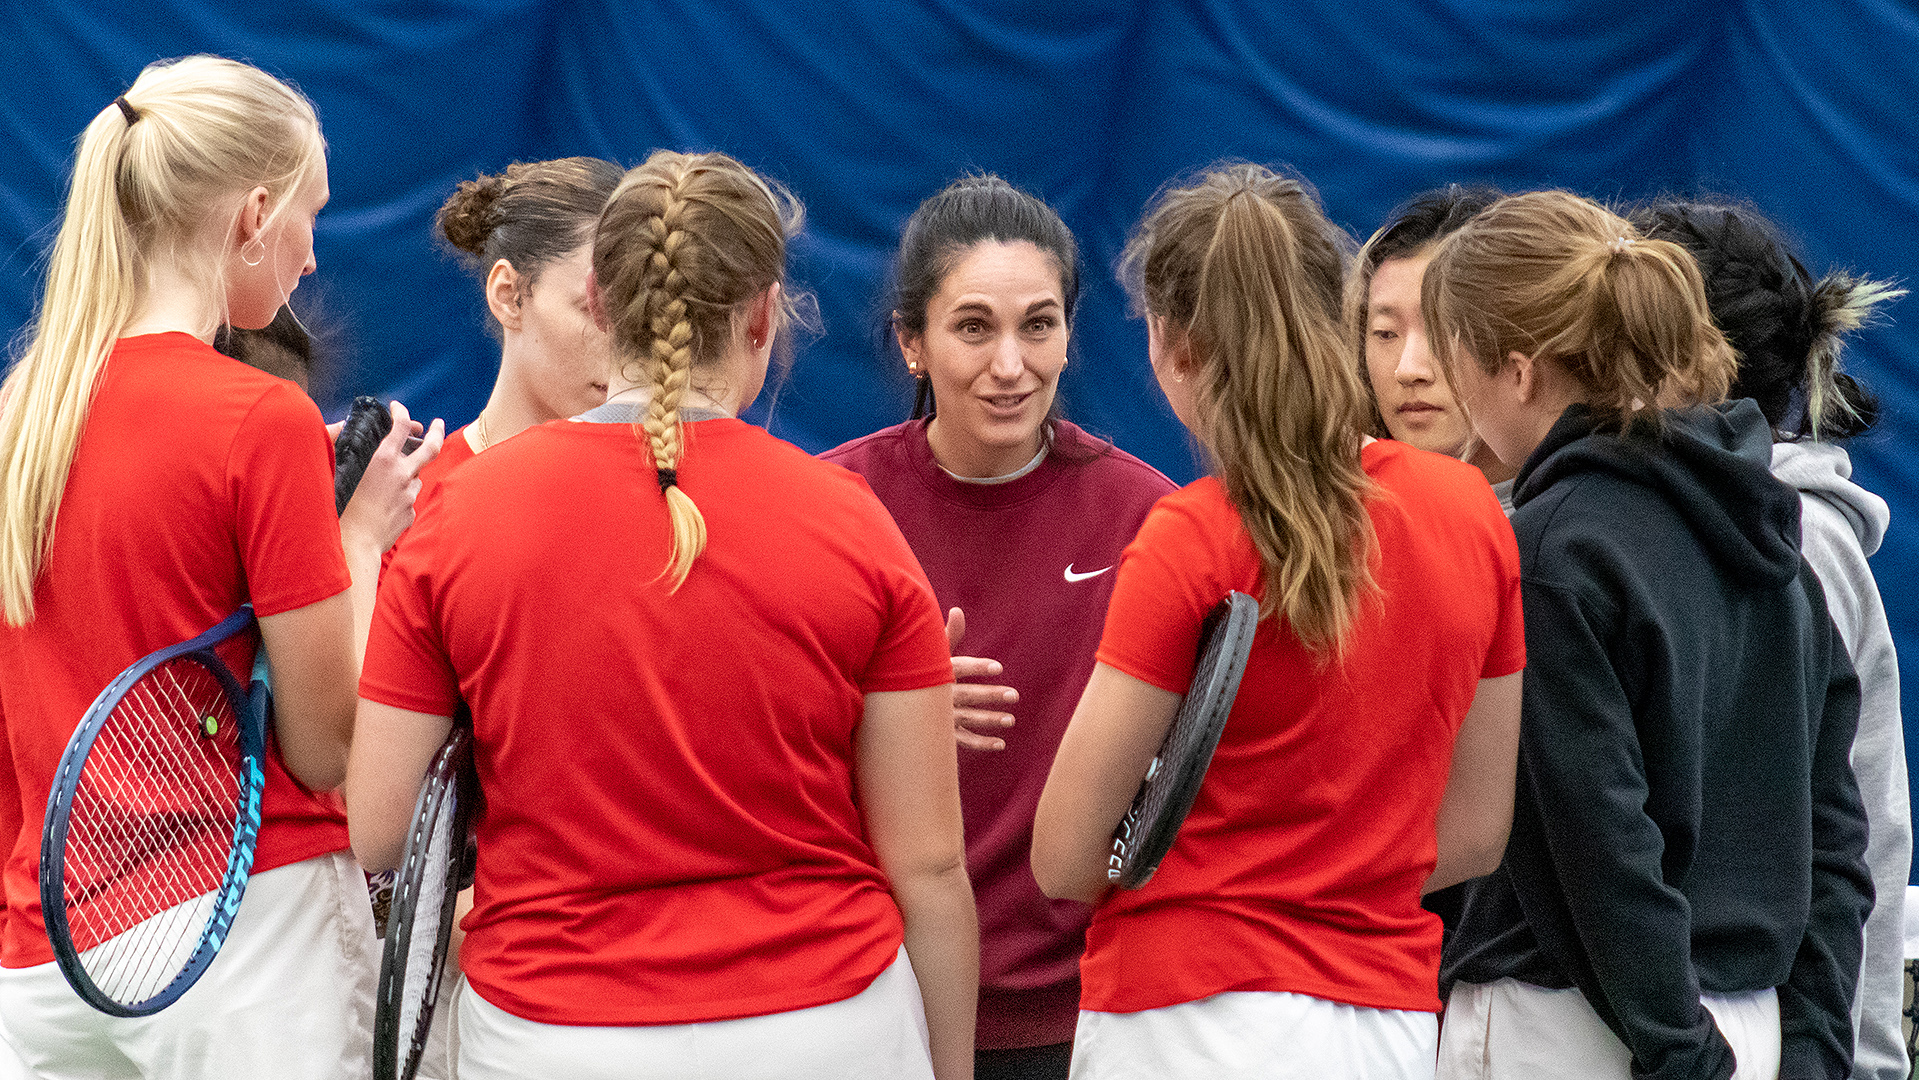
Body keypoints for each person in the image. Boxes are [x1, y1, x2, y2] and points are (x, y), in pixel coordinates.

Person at [348, 149, 978, 1080]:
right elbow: (928, 870)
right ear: (763, 315)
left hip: (555, 1035)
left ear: (602, 304)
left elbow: (381, 828)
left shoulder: (461, 518)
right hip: (825, 1022)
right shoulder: (852, 520)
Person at [1030, 163, 1525, 1080]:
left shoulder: (1189, 536)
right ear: (1334, 319)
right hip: (1381, 1019)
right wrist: (1336, 878)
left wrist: (1230, 883)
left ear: (1171, 344)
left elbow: (1063, 855)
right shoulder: (1469, 513)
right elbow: (1475, 830)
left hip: (1178, 1012)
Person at [0, 55, 437, 1079]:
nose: (312, 260)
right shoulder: (262, 418)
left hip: (40, 955)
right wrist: (360, 538)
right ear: (252, 215)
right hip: (246, 941)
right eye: (310, 217)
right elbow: (326, 749)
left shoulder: (18, 417)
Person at [1425, 191, 1872, 1080]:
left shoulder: (1549, 553)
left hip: (1580, 1027)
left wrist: (1682, 1053)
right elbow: (1832, 837)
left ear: (1516, 371)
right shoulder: (1771, 543)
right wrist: (1810, 1050)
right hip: (1745, 1026)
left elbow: (1598, 845)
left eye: (1451, 357)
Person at [821, 175, 1176, 1079]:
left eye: (1038, 325)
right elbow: (744, 751)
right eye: (974, 328)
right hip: (872, 995)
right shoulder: (832, 507)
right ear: (912, 342)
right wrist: (884, 726)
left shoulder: (1146, 517)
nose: (1011, 364)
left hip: (1087, 1008)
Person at [1636, 198, 1907, 1080]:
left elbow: (1855, 830)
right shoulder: (1621, 525)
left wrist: (1857, 1058)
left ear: (1684, 358)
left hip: (1763, 1029)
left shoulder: (1797, 543)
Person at [428, 156, 623, 480]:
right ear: (508, 295)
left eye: (643, 311)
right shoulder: (414, 497)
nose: (629, 343)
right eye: (594, 309)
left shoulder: (675, 491)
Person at [1346, 184, 1517, 505]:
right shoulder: (1325, 516)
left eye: (1444, 329)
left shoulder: (1582, 514)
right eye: (1385, 333)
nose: (1408, 370)